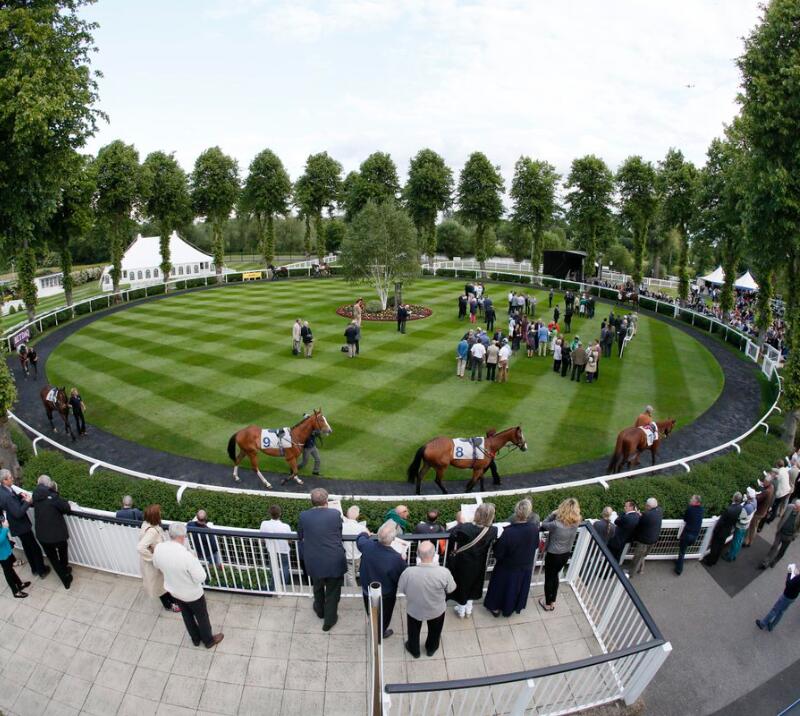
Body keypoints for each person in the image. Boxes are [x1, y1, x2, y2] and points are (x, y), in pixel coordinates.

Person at [153, 523, 224, 649]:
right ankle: (208, 641)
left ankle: (195, 639)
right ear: (183, 536)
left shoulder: (159, 548)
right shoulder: (186, 556)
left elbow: (156, 565)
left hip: (174, 590)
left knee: (187, 616)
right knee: (202, 617)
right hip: (192, 594)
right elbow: (201, 577)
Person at [297, 488, 347, 631]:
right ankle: (329, 620)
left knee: (318, 587)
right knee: (332, 592)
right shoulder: (335, 514)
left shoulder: (304, 515)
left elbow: (300, 535)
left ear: (312, 501)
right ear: (326, 501)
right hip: (333, 560)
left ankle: (320, 611)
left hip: (314, 560)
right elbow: (338, 532)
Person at [397, 540, 456, 658]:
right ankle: (431, 649)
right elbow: (451, 589)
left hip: (414, 609)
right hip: (436, 610)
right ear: (434, 555)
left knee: (413, 632)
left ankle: (414, 650)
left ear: (418, 554)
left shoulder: (408, 572)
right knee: (435, 632)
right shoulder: (444, 572)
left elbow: (402, 589)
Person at [483, 499, 540, 617]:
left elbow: (498, 553)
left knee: (500, 589)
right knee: (515, 591)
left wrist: (495, 544)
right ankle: (511, 608)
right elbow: (535, 545)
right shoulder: (534, 528)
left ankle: (495, 608)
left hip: (507, 568)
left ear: (516, 512)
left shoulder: (509, 532)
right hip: (525, 567)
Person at [356, 522, 407, 639]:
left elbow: (360, 538)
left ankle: (373, 623)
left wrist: (366, 533)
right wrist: (402, 560)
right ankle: (380, 632)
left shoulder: (367, 546)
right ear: (393, 539)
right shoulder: (396, 558)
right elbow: (403, 575)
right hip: (386, 594)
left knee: (370, 609)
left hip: (367, 589)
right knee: (385, 615)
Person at [447, 503, 497, 618]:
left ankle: (461, 610)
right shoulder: (493, 530)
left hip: (463, 563)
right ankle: (468, 609)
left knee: (462, 585)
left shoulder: (465, 527)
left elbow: (452, 535)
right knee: (474, 584)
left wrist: (461, 523)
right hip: (479, 563)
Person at [0, 469, 49, 579]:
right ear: (4, 480)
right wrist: (27, 501)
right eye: (10, 477)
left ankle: (34, 569)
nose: (12, 478)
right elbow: (18, 513)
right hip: (21, 525)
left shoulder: (3, 490)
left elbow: (11, 503)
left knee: (27, 546)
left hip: (15, 525)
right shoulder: (6, 495)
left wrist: (19, 496)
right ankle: (41, 570)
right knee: (34, 547)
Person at [539, 498, 581, 611]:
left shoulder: (556, 524)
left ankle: (547, 604)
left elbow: (544, 524)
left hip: (553, 554)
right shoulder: (577, 521)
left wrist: (552, 514)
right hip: (565, 553)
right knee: (555, 576)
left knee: (549, 578)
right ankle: (552, 601)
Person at [137, 504, 181, 612]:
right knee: (160, 585)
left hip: (155, 562)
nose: (161, 514)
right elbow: (140, 547)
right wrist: (153, 558)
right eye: (159, 513)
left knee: (163, 583)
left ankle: (172, 601)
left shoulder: (146, 524)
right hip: (154, 564)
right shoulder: (152, 531)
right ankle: (169, 605)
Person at [32, 475, 73, 589]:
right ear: (48, 484)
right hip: (57, 535)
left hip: (42, 535)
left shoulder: (34, 495)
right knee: (62, 551)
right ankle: (65, 572)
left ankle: (65, 577)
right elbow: (66, 508)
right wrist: (56, 493)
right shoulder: (53, 496)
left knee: (53, 559)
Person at [703, 493, 744, 566]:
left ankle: (710, 562)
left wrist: (715, 531)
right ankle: (715, 560)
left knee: (714, 546)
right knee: (720, 546)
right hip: (728, 530)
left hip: (720, 531)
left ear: (734, 498)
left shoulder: (729, 509)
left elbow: (720, 522)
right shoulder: (740, 508)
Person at [756, 564, 800, 632]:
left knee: (775, 610)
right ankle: (772, 626)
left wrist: (790, 572)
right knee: (781, 611)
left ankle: (763, 624)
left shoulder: (798, 578)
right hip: (793, 597)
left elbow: (789, 584)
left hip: (787, 595)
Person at [759, 500, 800, 570]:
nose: (794, 507)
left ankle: (774, 561)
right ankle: (765, 562)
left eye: (796, 507)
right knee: (774, 547)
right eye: (795, 505)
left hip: (789, 537)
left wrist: (793, 536)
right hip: (780, 533)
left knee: (782, 551)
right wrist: (779, 527)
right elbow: (783, 517)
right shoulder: (790, 507)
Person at [260, 504, 293, 589]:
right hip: (284, 550)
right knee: (285, 567)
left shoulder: (264, 524)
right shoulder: (286, 526)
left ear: (269, 514)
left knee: (272, 568)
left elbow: (262, 539)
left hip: (271, 550)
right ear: (280, 514)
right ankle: (284, 586)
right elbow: (289, 541)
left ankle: (273, 585)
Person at [628, 498, 663, 576]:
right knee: (643, 555)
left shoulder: (647, 515)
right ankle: (641, 569)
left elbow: (640, 523)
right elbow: (648, 518)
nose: (645, 507)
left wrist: (638, 515)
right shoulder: (660, 510)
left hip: (644, 541)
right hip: (653, 539)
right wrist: (642, 515)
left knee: (637, 557)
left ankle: (630, 573)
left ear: (649, 506)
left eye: (646, 506)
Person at [0, 512, 30, 598]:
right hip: (2, 555)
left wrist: (3, 526)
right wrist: (5, 529)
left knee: (10, 570)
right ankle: (15, 591)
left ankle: (20, 584)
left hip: (6, 550)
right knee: (8, 572)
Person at [723, 487, 756, 562]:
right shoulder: (754, 502)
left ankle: (730, 557)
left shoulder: (747, 507)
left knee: (736, 541)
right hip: (745, 526)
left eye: (747, 493)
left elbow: (739, 516)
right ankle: (733, 554)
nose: (746, 493)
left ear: (749, 496)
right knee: (739, 540)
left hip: (741, 526)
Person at [675, 495, 704, 575]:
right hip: (695, 535)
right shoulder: (701, 509)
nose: (690, 500)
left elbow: (685, 519)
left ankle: (678, 570)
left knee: (682, 552)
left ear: (696, 501)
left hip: (687, 534)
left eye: (692, 499)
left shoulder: (690, 509)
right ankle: (679, 562)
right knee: (683, 551)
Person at [746, 475, 774, 545]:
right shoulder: (771, 487)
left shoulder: (767, 491)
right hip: (764, 511)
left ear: (768, 482)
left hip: (759, 512)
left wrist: (754, 495)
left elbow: (758, 499)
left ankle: (749, 541)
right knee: (755, 525)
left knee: (753, 526)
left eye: (765, 482)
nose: (763, 483)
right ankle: (750, 539)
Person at [767, 459, 792, 524]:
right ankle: (771, 515)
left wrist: (771, 475)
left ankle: (770, 519)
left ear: (777, 465)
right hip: (787, 490)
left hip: (782, 492)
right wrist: (772, 469)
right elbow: (777, 470)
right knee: (776, 505)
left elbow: (775, 478)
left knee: (775, 506)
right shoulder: (784, 469)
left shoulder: (780, 473)